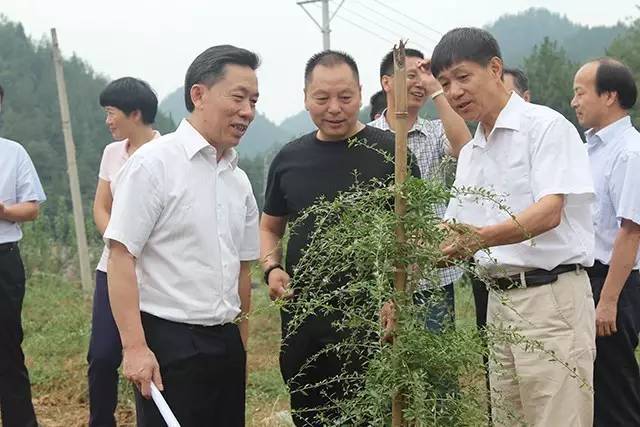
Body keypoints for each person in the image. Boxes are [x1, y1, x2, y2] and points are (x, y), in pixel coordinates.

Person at [432, 27, 596, 426]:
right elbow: (451, 229)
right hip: (499, 303)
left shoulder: (545, 127)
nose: (454, 92)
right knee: (509, 418)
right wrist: (403, 265)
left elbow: (549, 211)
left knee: (557, 416)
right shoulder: (471, 152)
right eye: (444, 84)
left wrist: (480, 239)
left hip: (551, 299)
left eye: (462, 77)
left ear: (494, 68)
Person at [260, 50, 420, 426]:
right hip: (305, 326)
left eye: (345, 98)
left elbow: (412, 236)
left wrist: (400, 296)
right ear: (305, 97)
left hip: (373, 326)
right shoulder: (288, 159)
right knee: (311, 415)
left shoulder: (389, 153)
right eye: (322, 98)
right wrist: (272, 268)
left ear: (361, 94)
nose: (334, 108)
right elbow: (270, 227)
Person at [104, 45, 260, 427]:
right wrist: (136, 347)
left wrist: (239, 341)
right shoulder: (154, 165)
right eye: (238, 98)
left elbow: (242, 269)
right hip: (169, 341)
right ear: (199, 94)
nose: (248, 111)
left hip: (225, 342)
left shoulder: (238, 181)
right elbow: (121, 257)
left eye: (254, 101)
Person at [369, 47, 472, 331]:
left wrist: (437, 90)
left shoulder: (437, 131)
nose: (419, 83)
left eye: (424, 76)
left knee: (437, 365)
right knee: (388, 362)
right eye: (410, 75)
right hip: (384, 276)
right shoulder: (368, 137)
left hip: (433, 272)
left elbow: (465, 148)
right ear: (386, 82)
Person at [88, 77, 161, 427]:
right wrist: (120, 242)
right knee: (101, 356)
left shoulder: (165, 155)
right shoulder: (112, 153)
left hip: (152, 275)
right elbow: (101, 207)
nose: (108, 121)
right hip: (112, 268)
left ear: (135, 113)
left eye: (111, 113)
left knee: (147, 358)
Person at [572, 58, 640, 427]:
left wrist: (608, 301)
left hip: (614, 282)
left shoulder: (629, 152)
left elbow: (631, 230)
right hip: (590, 278)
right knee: (592, 387)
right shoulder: (591, 149)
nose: (575, 101)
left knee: (615, 390)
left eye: (580, 92)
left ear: (610, 95)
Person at [0, 82, 46, 427]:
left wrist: (2, 210)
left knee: (7, 348)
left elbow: (31, 209)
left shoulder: (13, 153)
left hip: (3, 258)